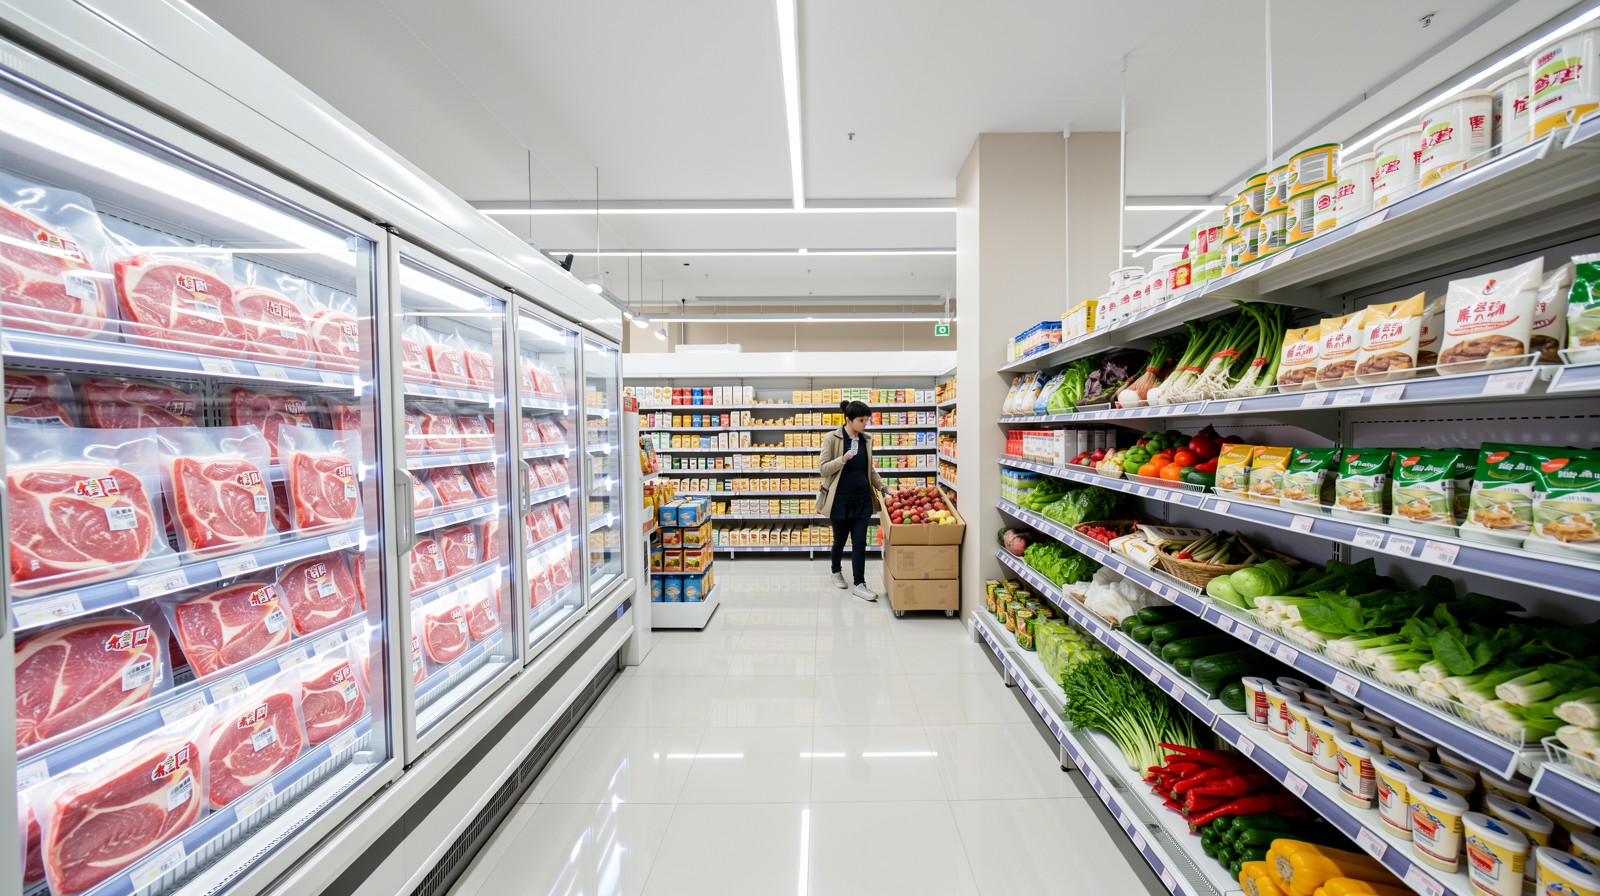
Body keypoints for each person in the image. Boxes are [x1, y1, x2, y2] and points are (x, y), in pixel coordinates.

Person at [817, 400, 891, 601]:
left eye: (867, 419)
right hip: (840, 500)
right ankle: (835, 571)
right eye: (861, 420)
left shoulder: (867, 439)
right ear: (848, 419)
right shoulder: (832, 438)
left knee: (859, 544)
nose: (865, 423)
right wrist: (842, 459)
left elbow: (870, 469)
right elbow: (822, 468)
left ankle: (860, 583)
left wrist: (883, 487)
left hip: (863, 501)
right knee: (839, 541)